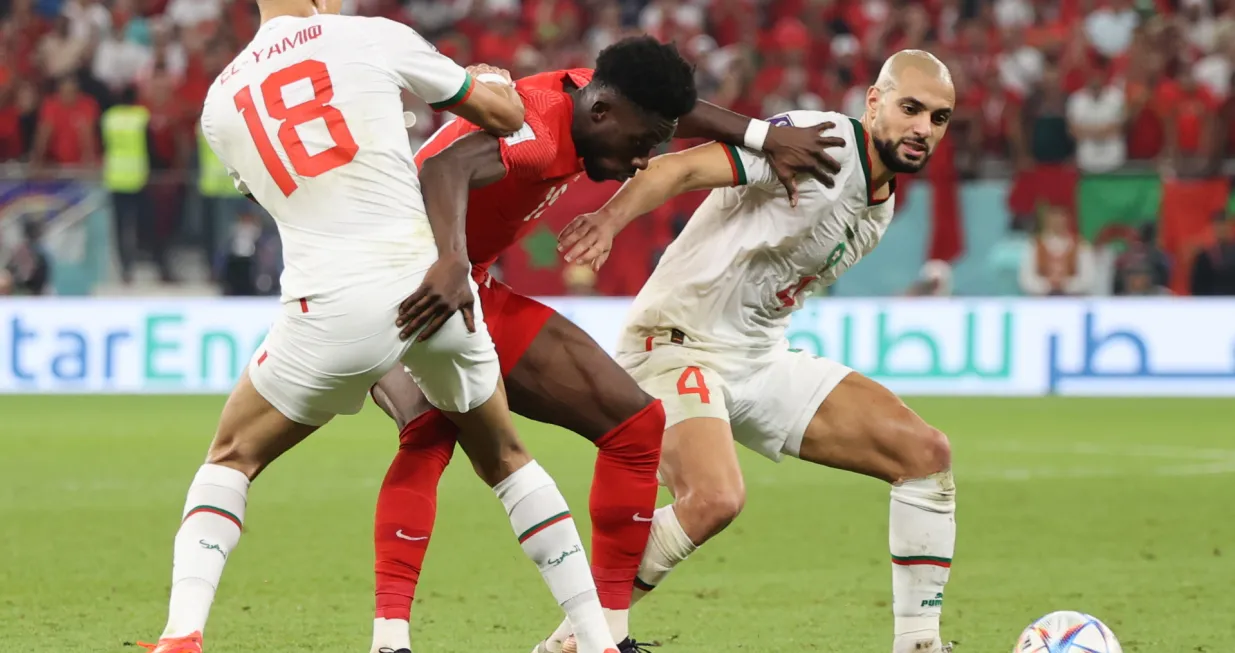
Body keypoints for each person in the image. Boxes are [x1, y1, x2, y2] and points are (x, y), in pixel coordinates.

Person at [137, 2, 618, 653]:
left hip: (331, 302)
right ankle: (595, 639)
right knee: (504, 455)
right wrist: (485, 84)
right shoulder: (370, 36)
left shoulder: (220, 101)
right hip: (432, 284)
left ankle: (181, 634)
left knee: (232, 456)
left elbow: (269, 190)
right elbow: (507, 117)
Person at [367, 37, 847, 653]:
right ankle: (390, 640)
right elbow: (445, 167)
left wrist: (761, 136)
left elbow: (676, 111)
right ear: (602, 114)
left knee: (636, 425)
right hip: (401, 281)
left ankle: (606, 637)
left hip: (458, 281)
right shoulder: (536, 130)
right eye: (642, 144)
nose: (646, 160)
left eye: (654, 144)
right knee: (430, 429)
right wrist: (453, 263)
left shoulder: (590, 92)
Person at [553, 50, 958, 653]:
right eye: (910, 108)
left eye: (939, 117)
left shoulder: (882, 204)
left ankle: (920, 645)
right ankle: (578, 637)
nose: (923, 128)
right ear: (874, 103)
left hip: (758, 358)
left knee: (925, 454)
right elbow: (681, 170)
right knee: (713, 499)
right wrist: (610, 220)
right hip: (675, 341)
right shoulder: (823, 143)